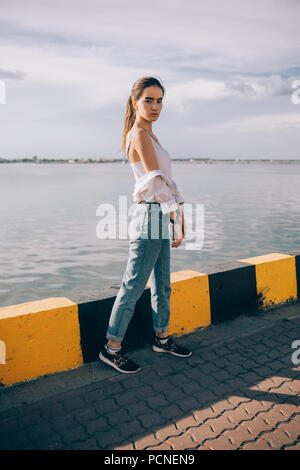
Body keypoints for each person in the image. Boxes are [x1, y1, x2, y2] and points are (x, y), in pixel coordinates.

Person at [99, 76, 192, 374]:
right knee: (134, 284)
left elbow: (167, 182)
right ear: (135, 102)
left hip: (161, 214)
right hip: (151, 216)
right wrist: (176, 215)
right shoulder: (138, 134)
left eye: (159, 100)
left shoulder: (151, 136)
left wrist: (179, 212)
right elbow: (155, 181)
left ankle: (162, 338)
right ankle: (111, 348)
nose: (155, 106)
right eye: (148, 100)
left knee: (162, 282)